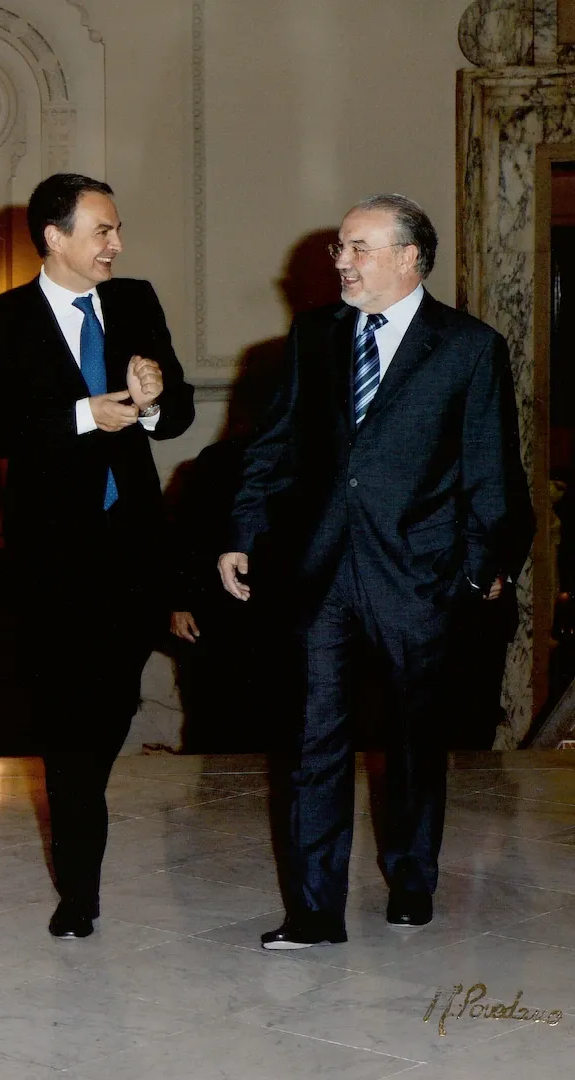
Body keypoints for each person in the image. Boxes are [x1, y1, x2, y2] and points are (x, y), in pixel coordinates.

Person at [219, 194, 533, 949]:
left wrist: (483, 567)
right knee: (312, 742)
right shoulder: (314, 336)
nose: (341, 262)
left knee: (414, 744)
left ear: (408, 258)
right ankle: (313, 911)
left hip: (419, 577)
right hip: (319, 573)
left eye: (358, 248)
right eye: (338, 247)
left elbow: (492, 469)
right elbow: (275, 444)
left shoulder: (468, 348)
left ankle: (411, 878)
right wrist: (242, 532)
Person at [0, 172, 194, 938]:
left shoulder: (136, 302)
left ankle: (80, 810)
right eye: (102, 231)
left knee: (109, 710)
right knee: (67, 723)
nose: (117, 244)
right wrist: (79, 415)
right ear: (54, 237)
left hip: (132, 554)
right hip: (50, 561)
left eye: (117, 230)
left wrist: (156, 398)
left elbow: (179, 410)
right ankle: (79, 889)